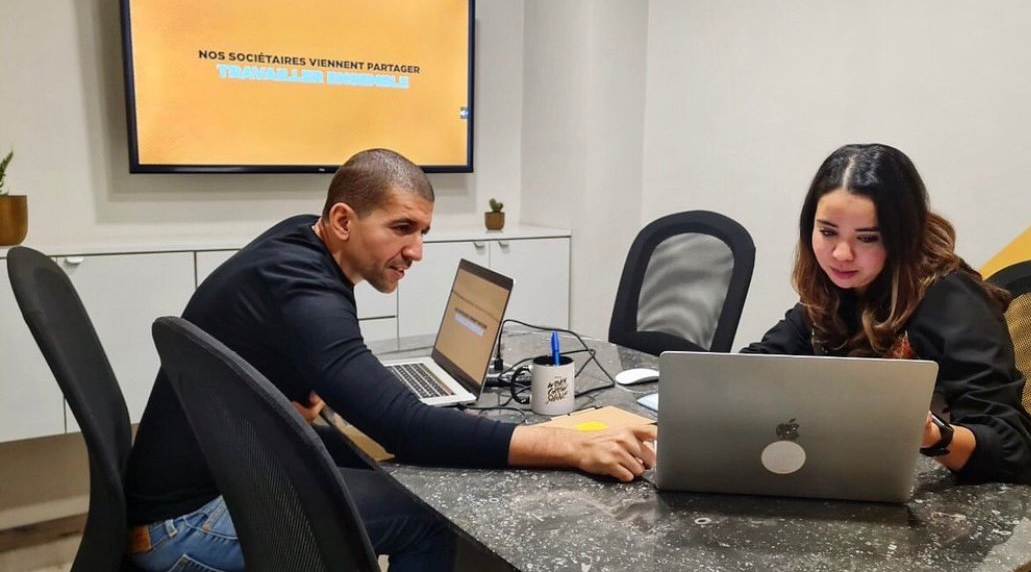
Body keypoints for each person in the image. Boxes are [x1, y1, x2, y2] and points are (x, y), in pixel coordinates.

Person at [125, 149, 657, 572]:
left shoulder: (296, 242)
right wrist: (564, 442)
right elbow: (402, 427)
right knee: (428, 517)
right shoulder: (303, 286)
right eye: (402, 228)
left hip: (202, 488)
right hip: (186, 527)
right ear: (341, 220)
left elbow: (308, 365)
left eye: (423, 231)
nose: (417, 250)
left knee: (392, 474)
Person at [740, 143, 1031, 486]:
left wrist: (933, 435)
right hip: (870, 485)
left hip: (977, 509)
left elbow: (1012, 450)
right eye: (827, 232)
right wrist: (681, 421)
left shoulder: (953, 301)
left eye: (867, 238)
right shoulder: (833, 291)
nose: (841, 254)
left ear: (903, 236)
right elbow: (756, 368)